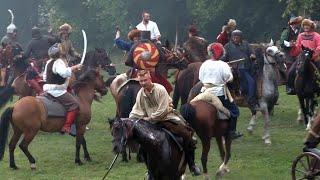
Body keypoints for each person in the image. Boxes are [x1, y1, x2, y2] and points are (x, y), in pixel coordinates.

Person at [129, 70, 201, 176]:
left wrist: (149, 118)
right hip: (150, 123)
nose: (143, 83)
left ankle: (192, 164)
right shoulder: (141, 93)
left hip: (166, 118)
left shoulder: (160, 89)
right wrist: (131, 119)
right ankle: (150, 171)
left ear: (150, 79)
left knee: (186, 135)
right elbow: (137, 109)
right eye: (141, 81)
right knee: (143, 144)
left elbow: (163, 110)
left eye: (145, 80)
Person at [198, 42, 242, 140]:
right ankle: (231, 132)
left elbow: (200, 78)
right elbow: (229, 79)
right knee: (234, 110)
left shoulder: (204, 64)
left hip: (204, 92)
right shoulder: (223, 65)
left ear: (210, 53)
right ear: (222, 54)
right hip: (219, 94)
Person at [43, 43, 83, 133]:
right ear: (60, 53)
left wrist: (72, 69)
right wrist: (75, 67)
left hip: (48, 88)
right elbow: (64, 73)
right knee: (74, 104)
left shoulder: (48, 62)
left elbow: (45, 77)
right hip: (57, 90)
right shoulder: (58, 62)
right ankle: (67, 126)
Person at [223, 30, 260, 110]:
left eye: (238, 38)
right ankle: (249, 99)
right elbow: (224, 58)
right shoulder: (227, 46)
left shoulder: (245, 44)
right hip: (235, 70)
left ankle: (252, 99)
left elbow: (252, 52)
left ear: (241, 38)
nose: (236, 39)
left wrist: (253, 55)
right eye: (234, 37)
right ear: (232, 38)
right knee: (250, 82)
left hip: (247, 67)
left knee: (253, 81)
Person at [22, 26, 60, 94]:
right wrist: (51, 33)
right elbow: (58, 40)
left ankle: (40, 91)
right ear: (39, 32)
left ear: (32, 34)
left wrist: (20, 55)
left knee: (28, 75)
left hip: (39, 65)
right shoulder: (47, 37)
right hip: (51, 62)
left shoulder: (31, 43)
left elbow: (26, 55)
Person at [287, 19, 320, 94]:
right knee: (291, 71)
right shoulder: (300, 36)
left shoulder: (317, 36)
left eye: (308, 25)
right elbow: (298, 47)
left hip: (313, 58)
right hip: (302, 59)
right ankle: (291, 88)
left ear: (311, 26)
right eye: (304, 25)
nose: (306, 27)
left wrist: (314, 51)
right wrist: (293, 47)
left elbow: (319, 46)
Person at [0, 9, 24, 86]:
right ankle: (4, 84)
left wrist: (21, 54)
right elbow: (3, 51)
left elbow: (20, 51)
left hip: (13, 62)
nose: (15, 34)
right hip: (5, 62)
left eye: (15, 32)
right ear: (11, 32)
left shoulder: (15, 42)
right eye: (14, 32)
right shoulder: (5, 39)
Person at [280, 15, 302, 92]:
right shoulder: (286, 31)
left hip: (297, 51)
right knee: (289, 68)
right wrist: (290, 44)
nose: (297, 24)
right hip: (288, 52)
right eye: (295, 23)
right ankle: (289, 86)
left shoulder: (299, 30)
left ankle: (298, 85)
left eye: (298, 22)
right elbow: (282, 42)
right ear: (292, 23)